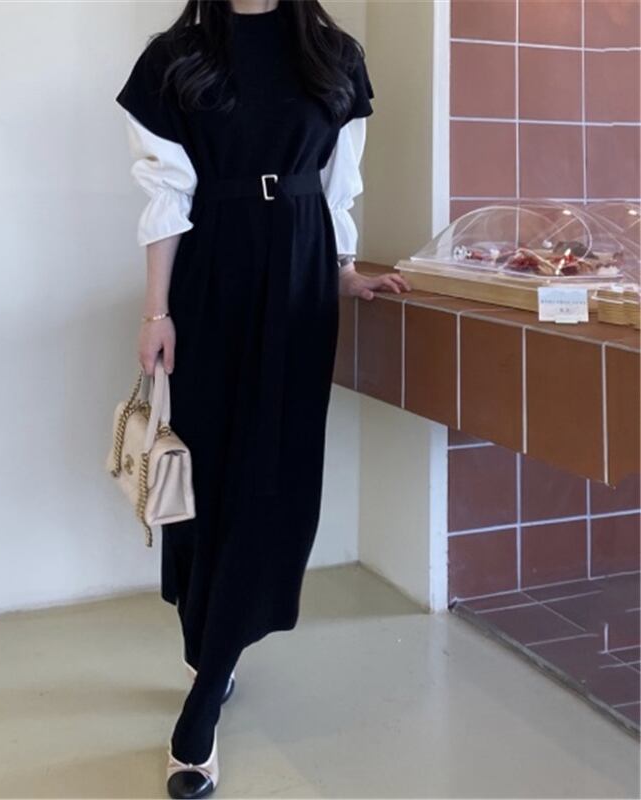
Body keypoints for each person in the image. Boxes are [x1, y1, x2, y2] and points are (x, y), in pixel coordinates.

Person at [115, 1, 410, 796]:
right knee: (207, 472)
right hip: (213, 268)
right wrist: (156, 311)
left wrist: (344, 270)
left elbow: (340, 183)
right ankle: (207, 637)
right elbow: (166, 192)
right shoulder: (176, 57)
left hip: (302, 273)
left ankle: (207, 689)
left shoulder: (335, 55)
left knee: (272, 478)